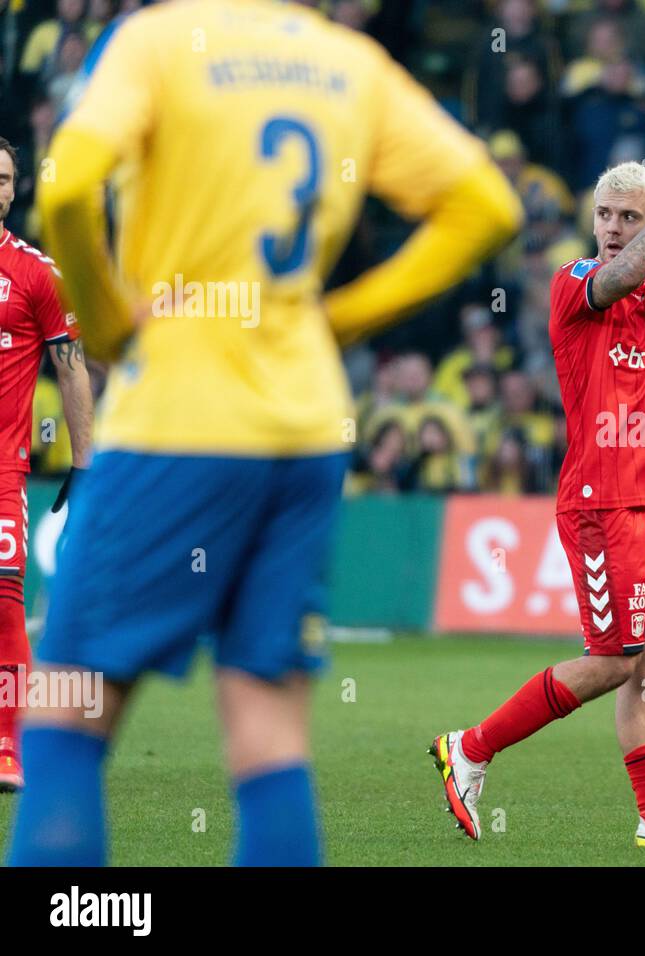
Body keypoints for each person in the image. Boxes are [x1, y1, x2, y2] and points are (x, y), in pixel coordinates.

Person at [7, 0, 521, 866]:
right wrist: (345, 318)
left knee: (64, 710)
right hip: (307, 428)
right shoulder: (344, 61)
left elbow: (65, 181)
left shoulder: (160, 39)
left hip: (178, 418)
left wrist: (102, 321)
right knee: (268, 722)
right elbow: (487, 205)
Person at [432, 118, 645, 849]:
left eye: (627, 217)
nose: (612, 228)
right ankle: (472, 749)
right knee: (612, 659)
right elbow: (616, 277)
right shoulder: (574, 284)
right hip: (598, 505)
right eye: (605, 216)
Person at [0, 137, 95, 793]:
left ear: (15, 189)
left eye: (4, 178)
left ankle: (8, 749)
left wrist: (84, 462)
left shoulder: (37, 273)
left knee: (6, 602)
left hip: (3, 473)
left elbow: (72, 369)